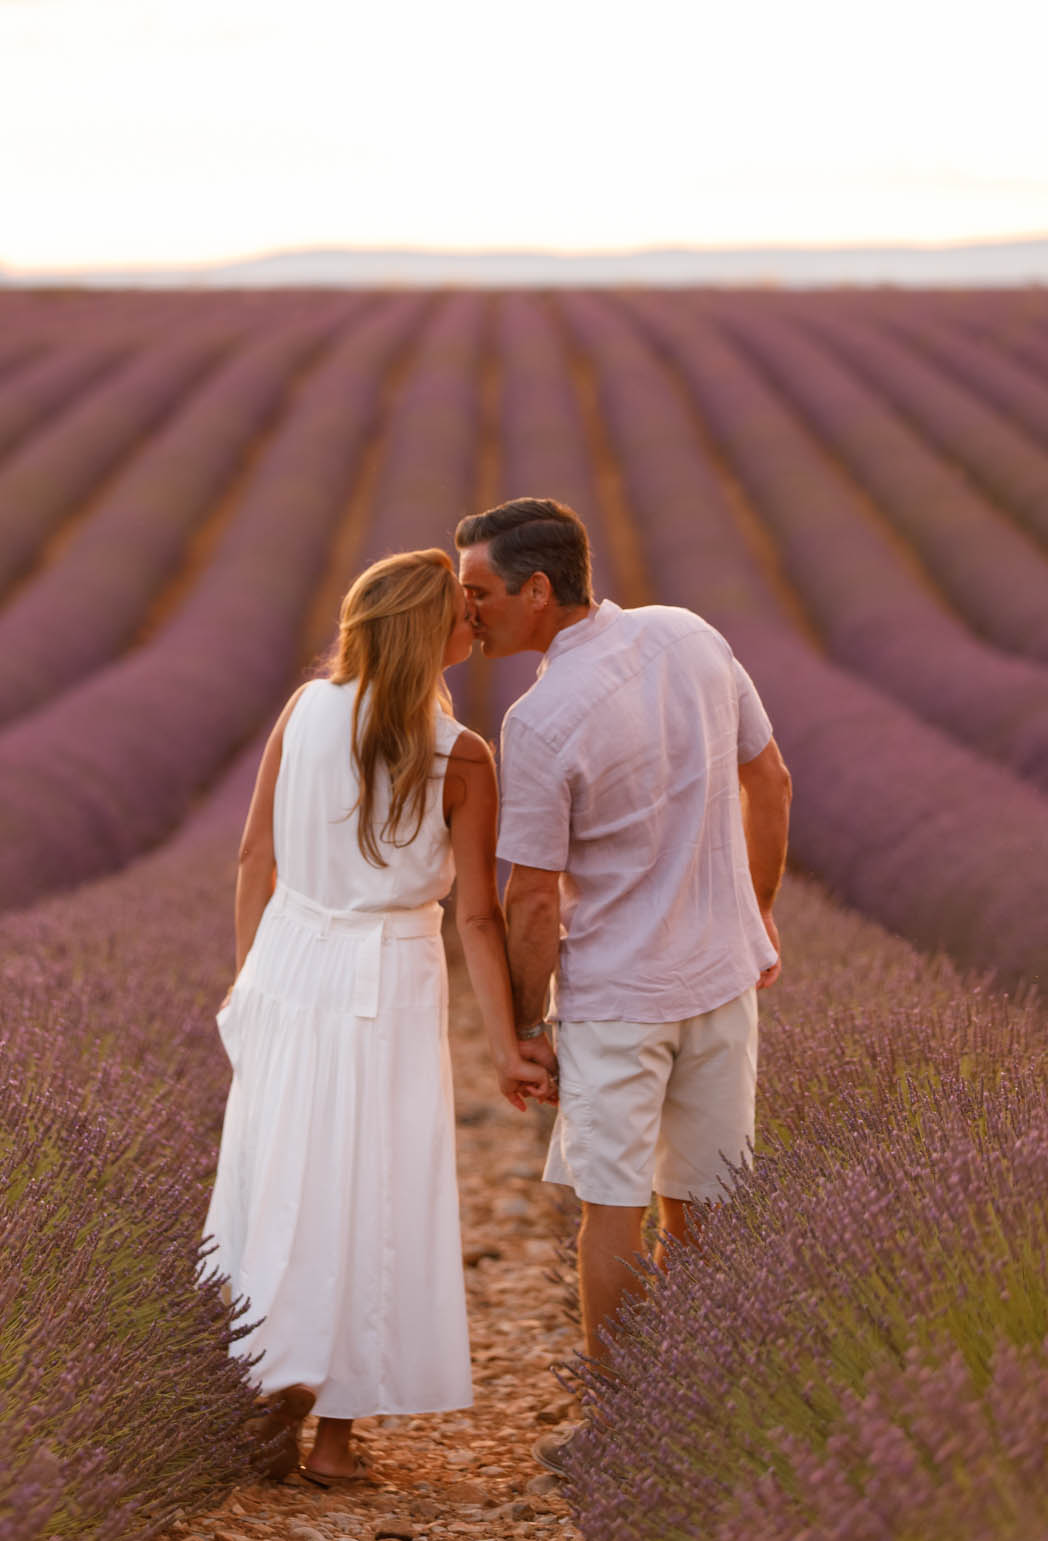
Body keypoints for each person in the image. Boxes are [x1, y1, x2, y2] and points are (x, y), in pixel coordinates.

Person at [455, 498, 792, 1471]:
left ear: (537, 590)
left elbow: (531, 898)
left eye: (479, 592)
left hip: (616, 999)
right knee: (704, 1205)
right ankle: (703, 1409)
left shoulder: (539, 718)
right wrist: (757, 911)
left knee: (613, 1208)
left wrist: (526, 1026)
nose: (467, 611)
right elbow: (770, 780)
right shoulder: (689, 634)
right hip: (721, 978)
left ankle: (620, 1428)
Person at [203, 548, 551, 1487]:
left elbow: (253, 858)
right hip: (389, 975)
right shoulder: (459, 755)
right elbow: (475, 917)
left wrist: (251, 982)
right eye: (460, 611)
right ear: (428, 632)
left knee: (276, 1175)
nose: (473, 620)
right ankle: (331, 1440)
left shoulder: (304, 710)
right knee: (373, 1189)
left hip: (289, 961)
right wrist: (507, 1047)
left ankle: (259, 1386)